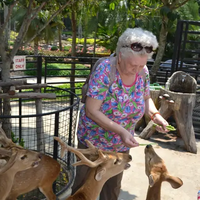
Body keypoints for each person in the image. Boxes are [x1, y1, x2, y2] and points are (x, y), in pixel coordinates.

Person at [72, 27, 169, 200]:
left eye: (142, 65)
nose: (137, 69)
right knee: (84, 188)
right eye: (133, 65)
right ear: (120, 55)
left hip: (120, 146)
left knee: (112, 189)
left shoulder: (143, 72)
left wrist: (156, 116)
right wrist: (122, 131)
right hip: (94, 141)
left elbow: (146, 99)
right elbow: (91, 110)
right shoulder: (104, 71)